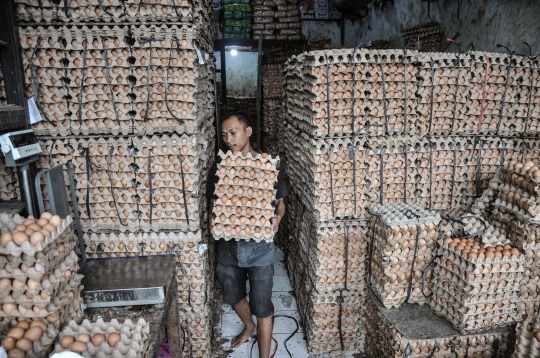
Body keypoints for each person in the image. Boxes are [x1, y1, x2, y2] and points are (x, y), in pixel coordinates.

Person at [207, 110, 287, 358]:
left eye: (233, 132)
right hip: (229, 248)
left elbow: (280, 202)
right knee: (234, 295)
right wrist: (214, 218)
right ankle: (248, 325)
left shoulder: (267, 165)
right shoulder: (219, 167)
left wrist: (278, 217)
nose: (228, 139)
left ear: (248, 131)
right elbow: (213, 203)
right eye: (224, 135)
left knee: (262, 306)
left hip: (260, 248)